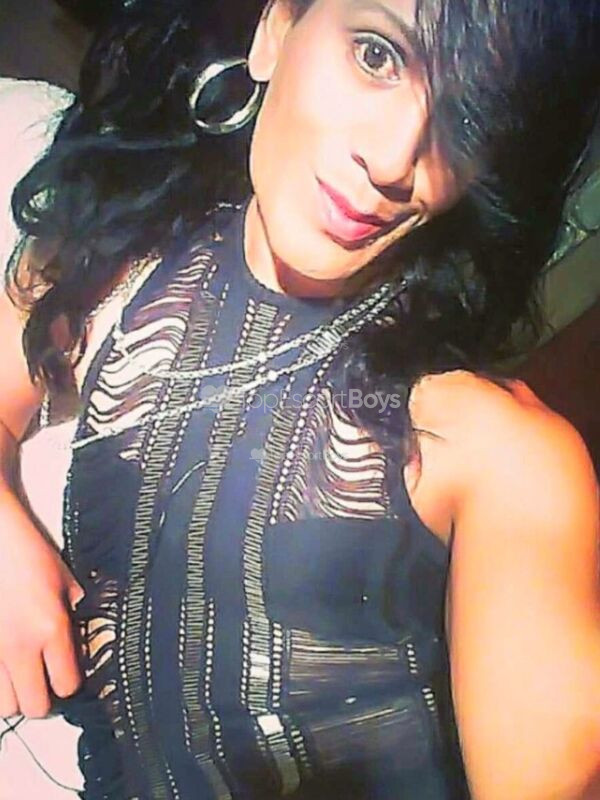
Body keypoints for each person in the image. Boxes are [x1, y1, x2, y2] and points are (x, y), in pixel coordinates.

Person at [0, 0, 599, 798]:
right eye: (377, 56)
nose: (394, 157)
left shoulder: (498, 454)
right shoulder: (121, 240)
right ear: (276, 29)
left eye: (466, 117)